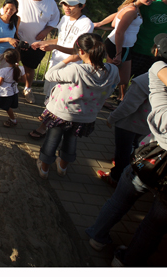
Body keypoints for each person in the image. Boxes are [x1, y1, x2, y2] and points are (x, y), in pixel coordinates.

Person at [85, 72, 167, 267]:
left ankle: (97, 237)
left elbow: (157, 69)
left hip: (144, 170)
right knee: (152, 229)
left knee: (117, 203)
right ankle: (127, 262)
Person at [98, 33, 167, 186]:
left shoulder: (144, 80)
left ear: (156, 52)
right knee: (134, 144)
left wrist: (112, 117)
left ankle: (116, 176)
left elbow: (128, 105)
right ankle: (128, 161)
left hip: (128, 123)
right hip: (149, 123)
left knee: (123, 148)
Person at [37, 33, 119, 179]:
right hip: (86, 116)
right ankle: (63, 167)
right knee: (71, 139)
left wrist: (68, 60)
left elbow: (50, 75)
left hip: (62, 112)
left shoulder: (77, 70)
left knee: (52, 139)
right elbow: (115, 83)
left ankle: (44, 170)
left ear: (80, 51)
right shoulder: (112, 70)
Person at [28, 0, 94, 139]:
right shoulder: (64, 19)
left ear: (82, 6)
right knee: (49, 94)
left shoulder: (86, 24)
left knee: (58, 98)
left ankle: (45, 127)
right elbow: (62, 39)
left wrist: (55, 48)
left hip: (70, 65)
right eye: (65, 4)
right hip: (56, 62)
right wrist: (45, 43)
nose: (66, 7)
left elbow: (79, 51)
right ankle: (49, 121)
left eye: (71, 5)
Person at [95, 0, 160, 103]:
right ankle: (98, 95)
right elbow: (119, 32)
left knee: (118, 77)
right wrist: (119, 54)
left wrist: (100, 23)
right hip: (119, 46)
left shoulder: (131, 7)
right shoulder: (132, 10)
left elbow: (115, 21)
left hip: (122, 46)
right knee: (117, 78)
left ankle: (103, 96)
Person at [13, 0, 61, 104]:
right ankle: (12, 87)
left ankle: (28, 89)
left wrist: (46, 31)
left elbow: (54, 21)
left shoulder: (51, 4)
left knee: (30, 68)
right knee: (13, 65)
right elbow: (6, 12)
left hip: (36, 43)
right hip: (18, 41)